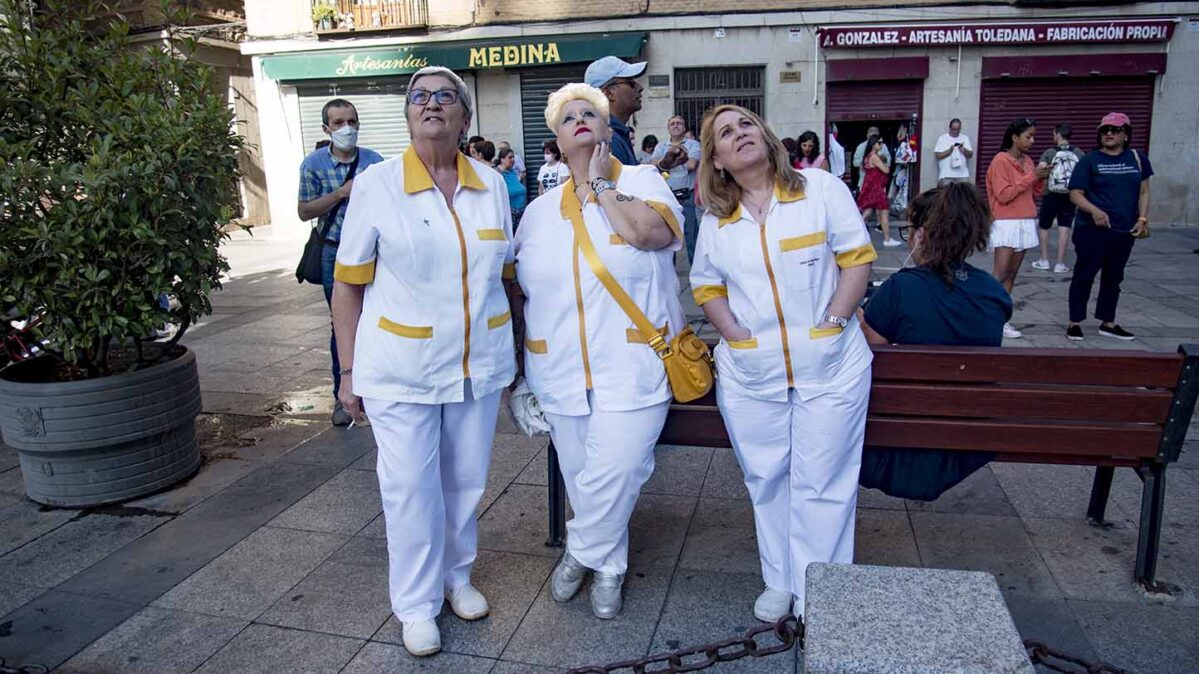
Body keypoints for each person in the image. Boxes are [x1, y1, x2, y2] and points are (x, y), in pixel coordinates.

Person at [330, 66, 516, 658]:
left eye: (444, 97)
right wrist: (348, 371)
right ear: (408, 114)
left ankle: (456, 577)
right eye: (419, 96)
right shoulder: (377, 185)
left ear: (464, 116)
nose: (431, 104)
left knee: (464, 482)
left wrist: (519, 357)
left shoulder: (490, 185)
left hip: (476, 363)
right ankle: (415, 604)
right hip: (400, 369)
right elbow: (348, 286)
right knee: (410, 488)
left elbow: (506, 279)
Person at [690, 104, 875, 623]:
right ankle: (780, 579)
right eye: (726, 133)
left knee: (824, 479)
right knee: (765, 476)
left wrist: (834, 326)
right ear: (718, 160)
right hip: (753, 373)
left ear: (767, 137)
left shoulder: (820, 190)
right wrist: (734, 334)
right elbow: (706, 286)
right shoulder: (718, 220)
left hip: (832, 365)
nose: (739, 134)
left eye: (746, 124)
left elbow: (857, 260)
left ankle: (821, 586)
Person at [514, 83, 685, 620]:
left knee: (619, 469)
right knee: (584, 476)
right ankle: (610, 566)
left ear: (608, 131)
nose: (581, 120)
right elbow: (521, 293)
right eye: (569, 118)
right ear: (558, 141)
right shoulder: (538, 212)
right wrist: (522, 376)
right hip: (558, 370)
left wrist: (601, 185)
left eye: (592, 113)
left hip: (633, 365)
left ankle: (582, 554)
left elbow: (650, 234)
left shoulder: (641, 180)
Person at [858, 183, 1011, 499]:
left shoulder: (899, 290)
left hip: (897, 439)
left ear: (923, 235)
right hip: (967, 439)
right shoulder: (994, 293)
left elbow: (870, 354)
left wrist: (858, 317)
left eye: (909, 230)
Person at [297, 98, 384, 426]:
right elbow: (304, 211)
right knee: (344, 324)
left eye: (351, 120)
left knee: (375, 319)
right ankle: (343, 393)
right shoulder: (313, 165)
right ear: (326, 129)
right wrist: (340, 194)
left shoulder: (375, 162)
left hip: (375, 254)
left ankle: (376, 390)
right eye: (338, 123)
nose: (346, 128)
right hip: (335, 250)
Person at [1065, 112, 1153, 341]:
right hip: (1092, 229)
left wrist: (1142, 218)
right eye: (1105, 131)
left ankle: (1108, 321)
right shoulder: (1089, 161)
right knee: (1084, 275)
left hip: (1124, 230)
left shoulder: (1137, 158)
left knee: (1114, 277)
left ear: (1126, 134)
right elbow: (1075, 194)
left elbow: (1144, 191)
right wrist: (1094, 210)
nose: (1109, 134)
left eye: (1115, 130)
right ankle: (1075, 322)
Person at [986, 118, 1049, 340]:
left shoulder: (1028, 161)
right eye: (1028, 136)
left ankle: (1000, 318)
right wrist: (1032, 177)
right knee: (1000, 273)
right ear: (1015, 137)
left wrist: (1041, 177)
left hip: (1025, 220)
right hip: (1006, 222)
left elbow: (1034, 192)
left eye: (1033, 136)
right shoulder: (1000, 161)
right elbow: (1004, 195)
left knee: (1012, 274)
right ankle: (984, 314)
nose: (1032, 141)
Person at [1033, 123, 1084, 274]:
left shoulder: (1050, 152)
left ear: (1058, 134)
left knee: (1044, 225)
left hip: (1051, 193)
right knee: (1065, 226)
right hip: (1069, 195)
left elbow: (1040, 170)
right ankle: (1060, 263)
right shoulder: (1078, 152)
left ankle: (1044, 259)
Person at [651, 115, 702, 262]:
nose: (676, 126)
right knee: (668, 240)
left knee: (692, 238)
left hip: (688, 197)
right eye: (672, 124)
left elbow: (692, 165)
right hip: (668, 198)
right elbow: (653, 167)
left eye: (679, 123)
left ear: (684, 127)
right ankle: (668, 275)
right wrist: (677, 159)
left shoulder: (694, 145)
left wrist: (667, 162)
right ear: (668, 128)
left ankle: (697, 274)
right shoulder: (660, 146)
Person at [584, 56, 645, 166]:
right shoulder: (608, 140)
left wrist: (662, 166)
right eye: (631, 83)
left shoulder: (615, 133)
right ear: (608, 93)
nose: (640, 87)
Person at [857, 135, 898, 247]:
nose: (881, 145)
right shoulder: (874, 157)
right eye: (879, 143)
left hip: (871, 188)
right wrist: (884, 163)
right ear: (873, 144)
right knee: (884, 212)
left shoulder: (868, 156)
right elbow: (886, 170)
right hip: (877, 189)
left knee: (868, 212)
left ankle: (854, 230)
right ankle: (887, 239)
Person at [934, 118, 974, 185]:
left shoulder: (965, 138)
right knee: (946, 194)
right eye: (954, 129)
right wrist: (949, 151)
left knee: (964, 194)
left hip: (962, 174)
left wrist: (964, 150)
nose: (956, 131)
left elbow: (970, 155)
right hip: (947, 174)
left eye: (958, 129)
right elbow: (937, 156)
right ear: (950, 128)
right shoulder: (942, 138)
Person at [497, 146, 528, 224]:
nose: (513, 160)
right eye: (510, 157)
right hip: (509, 213)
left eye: (513, 157)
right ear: (502, 159)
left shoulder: (512, 172)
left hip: (520, 211)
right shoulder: (497, 174)